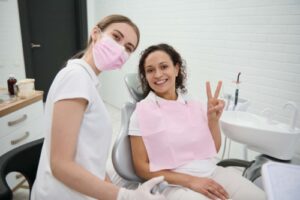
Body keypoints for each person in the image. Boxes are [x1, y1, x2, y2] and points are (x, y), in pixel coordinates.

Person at [31, 15, 167, 200]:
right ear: (96, 34)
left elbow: (89, 159)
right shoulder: (76, 77)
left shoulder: (87, 81)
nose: (121, 49)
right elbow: (60, 165)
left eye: (128, 48)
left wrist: (113, 189)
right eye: (116, 37)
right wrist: (125, 196)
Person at [129, 43, 266, 200]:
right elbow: (141, 168)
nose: (158, 74)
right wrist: (191, 181)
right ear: (145, 76)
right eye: (150, 70)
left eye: (164, 66)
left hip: (212, 172)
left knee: (259, 196)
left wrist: (213, 121)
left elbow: (212, 148)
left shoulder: (194, 104)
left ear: (176, 68)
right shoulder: (141, 113)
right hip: (172, 184)